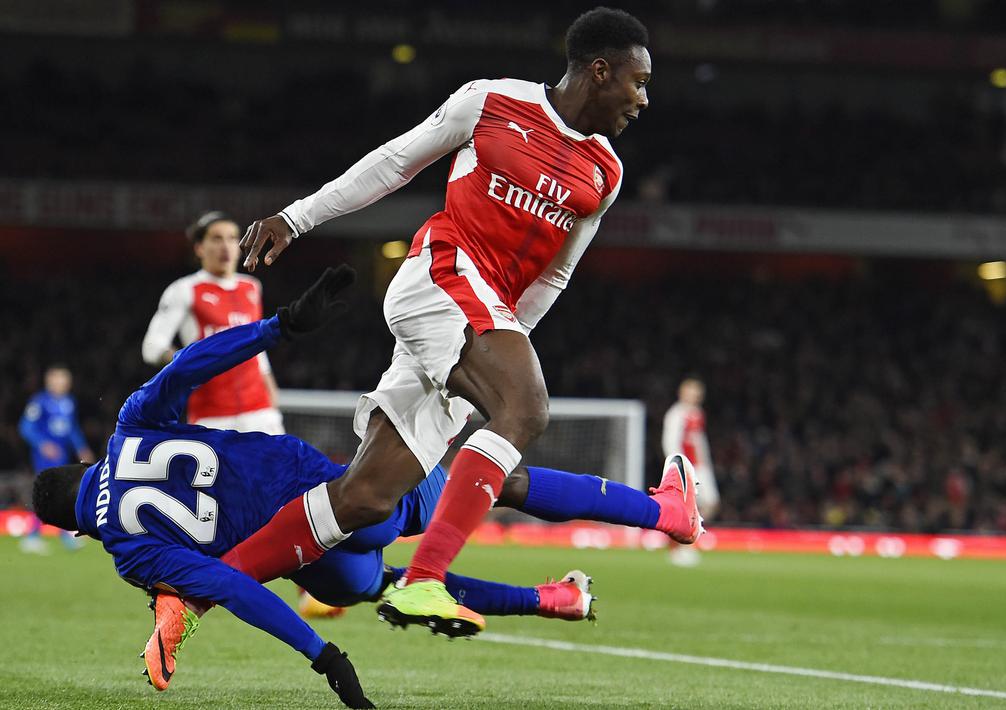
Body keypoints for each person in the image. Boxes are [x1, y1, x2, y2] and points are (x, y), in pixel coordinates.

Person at [30, 265, 698, 702]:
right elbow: (187, 367)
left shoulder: (127, 549)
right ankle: (661, 512)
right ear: (85, 469)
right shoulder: (130, 427)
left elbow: (235, 586)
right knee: (496, 477)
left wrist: (323, 657)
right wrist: (278, 327)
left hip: (305, 565)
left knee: (378, 582)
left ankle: (553, 599)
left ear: (77, 525)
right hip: (329, 493)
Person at [228, 7, 687, 637]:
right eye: (637, 82)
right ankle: (423, 582)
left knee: (366, 497)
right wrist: (297, 217)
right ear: (599, 71)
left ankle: (197, 591)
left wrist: (502, 346)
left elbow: (554, 275)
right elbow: (394, 163)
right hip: (437, 275)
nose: (642, 99)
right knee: (526, 410)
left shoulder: (605, 173)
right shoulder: (491, 102)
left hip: (477, 317)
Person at [142, 210, 283, 434]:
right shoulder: (184, 290)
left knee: (278, 469)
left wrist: (271, 388)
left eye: (232, 238)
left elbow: (257, 348)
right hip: (211, 415)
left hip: (260, 410)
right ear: (199, 248)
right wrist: (189, 361)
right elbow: (151, 347)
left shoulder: (252, 287)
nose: (226, 246)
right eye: (216, 238)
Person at [19, 365, 93, 553]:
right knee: (48, 492)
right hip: (45, 455)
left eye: (65, 380)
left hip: (62, 454)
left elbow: (72, 429)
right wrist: (42, 444)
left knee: (59, 493)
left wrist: (81, 447)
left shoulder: (69, 402)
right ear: (49, 382)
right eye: (58, 380)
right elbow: (26, 427)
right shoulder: (40, 402)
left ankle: (60, 536)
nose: (62, 384)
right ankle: (33, 536)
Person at [662, 377, 720, 566]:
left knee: (710, 504)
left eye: (698, 394)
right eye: (692, 393)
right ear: (682, 393)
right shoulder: (676, 414)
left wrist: (705, 462)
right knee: (685, 508)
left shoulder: (697, 413)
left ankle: (685, 543)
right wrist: (678, 467)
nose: (695, 397)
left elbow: (699, 441)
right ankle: (677, 548)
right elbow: (670, 441)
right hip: (686, 468)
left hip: (700, 467)